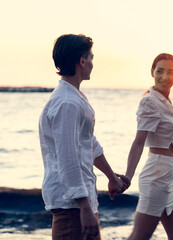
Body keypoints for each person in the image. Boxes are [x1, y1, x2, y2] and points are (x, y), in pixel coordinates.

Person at [38, 34, 129, 240]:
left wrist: (112, 177)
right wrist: (84, 208)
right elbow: (68, 158)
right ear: (82, 61)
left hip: (80, 202)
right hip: (71, 206)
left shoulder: (74, 98)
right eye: (91, 58)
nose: (92, 63)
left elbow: (89, 144)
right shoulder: (67, 103)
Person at [124, 53, 173, 240]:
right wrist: (127, 176)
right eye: (160, 71)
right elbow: (138, 142)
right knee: (140, 236)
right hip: (156, 176)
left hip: (169, 175)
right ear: (152, 72)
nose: (165, 77)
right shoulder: (149, 101)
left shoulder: (164, 100)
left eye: (170, 72)